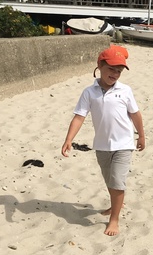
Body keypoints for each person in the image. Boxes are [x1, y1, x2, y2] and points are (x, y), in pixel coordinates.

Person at [61, 45, 145, 235]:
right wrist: (68, 139)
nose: (115, 74)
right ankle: (116, 204)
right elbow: (79, 117)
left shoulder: (125, 90)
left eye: (119, 71)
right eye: (111, 69)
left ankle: (114, 219)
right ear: (100, 66)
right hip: (102, 145)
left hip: (124, 144)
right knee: (109, 180)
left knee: (117, 182)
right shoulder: (89, 92)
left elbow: (135, 114)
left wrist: (141, 135)